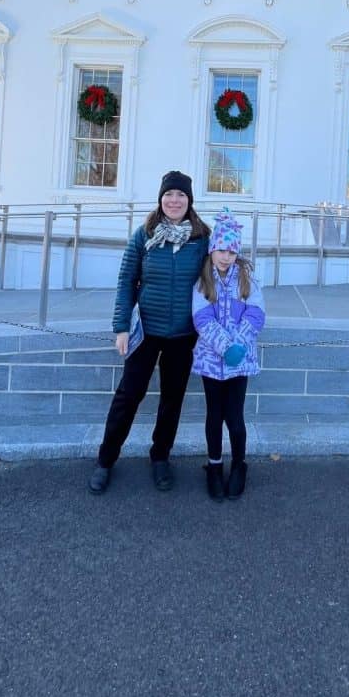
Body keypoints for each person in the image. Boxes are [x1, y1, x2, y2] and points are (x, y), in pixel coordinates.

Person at [89, 170, 210, 494]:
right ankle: (105, 460)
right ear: (160, 199)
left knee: (172, 399)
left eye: (181, 195)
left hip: (184, 334)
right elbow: (126, 281)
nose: (174, 200)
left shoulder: (202, 238)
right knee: (128, 396)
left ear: (189, 201)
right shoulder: (144, 235)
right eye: (169, 194)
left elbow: (220, 272)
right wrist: (121, 327)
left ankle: (160, 457)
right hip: (146, 330)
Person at [192, 209, 265, 501]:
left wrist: (239, 342)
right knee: (214, 416)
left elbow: (256, 313)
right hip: (212, 361)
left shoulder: (247, 278)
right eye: (221, 250)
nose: (226, 256)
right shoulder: (203, 280)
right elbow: (202, 317)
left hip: (240, 363)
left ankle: (238, 464)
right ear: (212, 250)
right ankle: (214, 465)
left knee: (235, 416)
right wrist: (224, 346)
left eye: (232, 251)